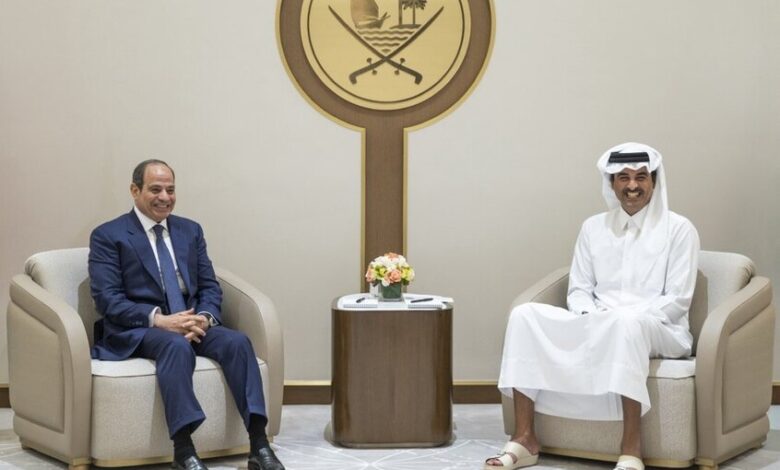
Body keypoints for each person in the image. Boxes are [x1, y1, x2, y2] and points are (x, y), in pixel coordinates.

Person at [485, 143, 699, 470]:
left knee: (626, 324)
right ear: (611, 183)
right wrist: (593, 319)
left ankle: (631, 451)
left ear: (654, 182)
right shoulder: (593, 228)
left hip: (662, 329)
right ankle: (525, 438)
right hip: (599, 322)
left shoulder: (679, 229)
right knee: (524, 315)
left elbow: (677, 300)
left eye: (641, 177)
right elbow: (579, 290)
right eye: (623, 177)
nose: (632, 185)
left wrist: (620, 321)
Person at [89, 160, 285, 470]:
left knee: (237, 343)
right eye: (155, 189)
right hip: (142, 329)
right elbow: (107, 299)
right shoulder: (109, 235)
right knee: (175, 345)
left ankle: (259, 445)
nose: (164, 197)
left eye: (170, 190)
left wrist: (204, 318)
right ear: (135, 190)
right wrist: (160, 320)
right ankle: (184, 451)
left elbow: (209, 285)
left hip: (192, 322)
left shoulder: (189, 231)